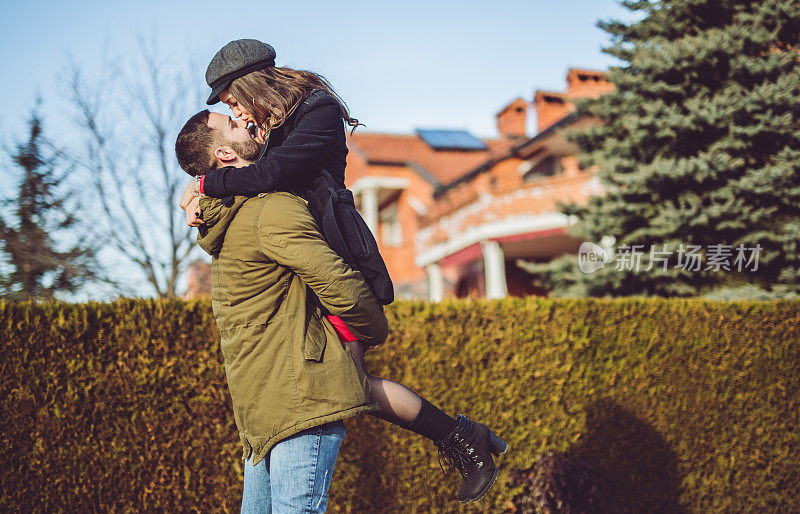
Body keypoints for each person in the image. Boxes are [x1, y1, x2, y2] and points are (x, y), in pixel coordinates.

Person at [177, 38, 508, 505]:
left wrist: (207, 183)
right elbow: (249, 172)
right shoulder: (272, 126)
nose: (236, 112)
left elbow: (269, 176)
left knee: (348, 382)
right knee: (351, 384)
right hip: (300, 271)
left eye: (232, 101)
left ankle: (461, 438)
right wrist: (204, 194)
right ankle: (462, 437)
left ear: (251, 85)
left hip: (336, 255)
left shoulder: (318, 111)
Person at [176, 110, 386, 512]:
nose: (249, 125)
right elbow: (336, 281)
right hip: (300, 400)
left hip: (261, 405)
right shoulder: (270, 210)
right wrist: (373, 330)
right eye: (235, 125)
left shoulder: (224, 222)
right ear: (223, 152)